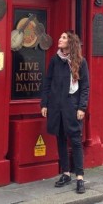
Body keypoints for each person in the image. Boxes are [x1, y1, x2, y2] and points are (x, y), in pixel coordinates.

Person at [40, 31, 89, 194]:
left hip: (72, 106)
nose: (59, 40)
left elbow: (85, 87)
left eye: (63, 38)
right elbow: (47, 82)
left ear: (71, 42)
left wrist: (82, 107)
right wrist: (44, 104)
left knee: (75, 140)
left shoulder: (81, 62)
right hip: (56, 106)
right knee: (60, 139)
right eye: (60, 37)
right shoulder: (55, 60)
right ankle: (66, 173)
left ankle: (80, 177)